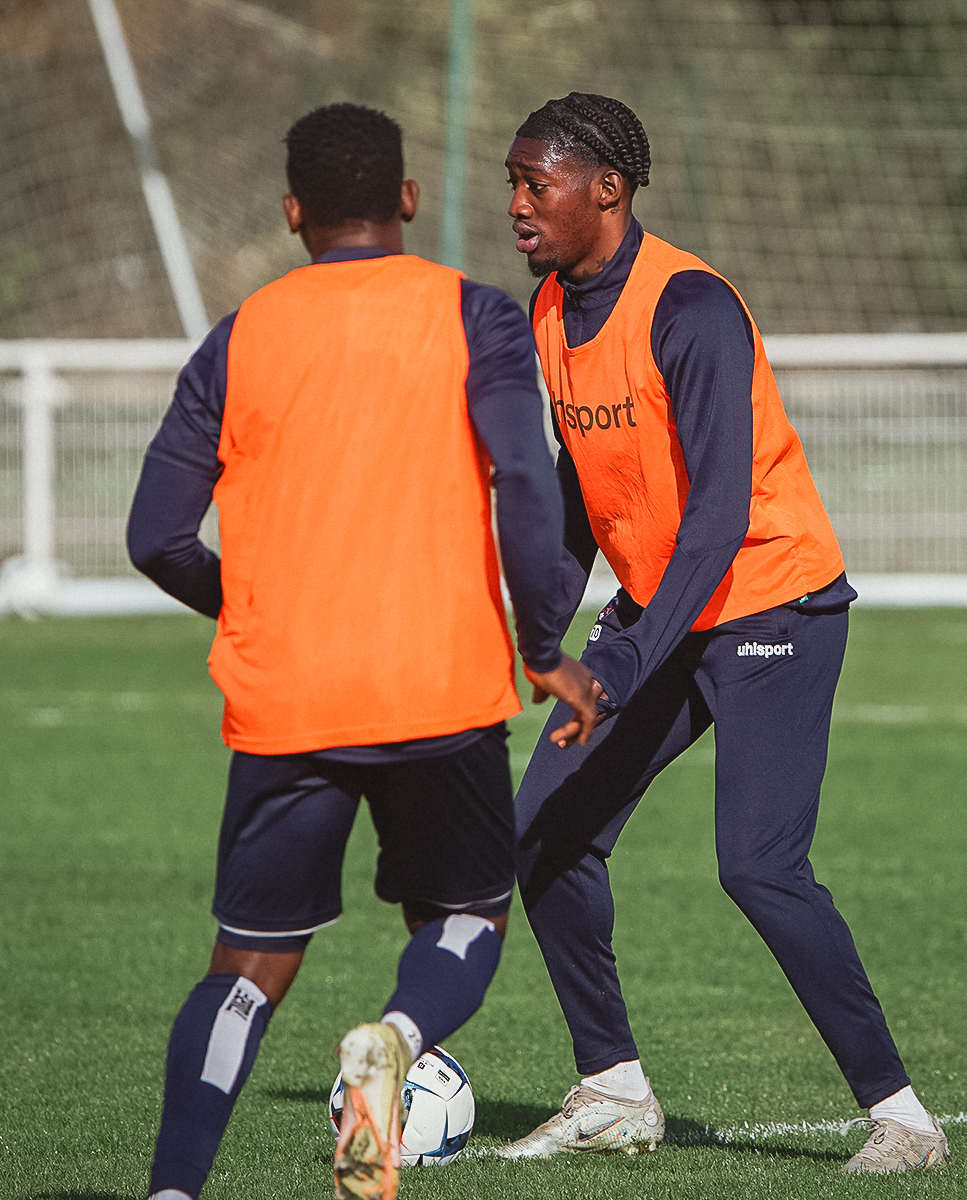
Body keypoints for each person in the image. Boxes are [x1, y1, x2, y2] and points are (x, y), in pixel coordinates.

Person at [125, 102, 599, 1200]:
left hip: (285, 699)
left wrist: (254, 604)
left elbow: (153, 536)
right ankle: (394, 1036)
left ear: (293, 214)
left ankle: (171, 1192)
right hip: (438, 688)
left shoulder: (238, 337)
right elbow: (527, 485)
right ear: (406, 201)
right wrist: (544, 648)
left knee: (246, 967)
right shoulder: (473, 316)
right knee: (467, 911)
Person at [493, 92, 950, 1175]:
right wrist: (537, 634)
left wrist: (619, 658)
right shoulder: (548, 306)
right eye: (510, 182)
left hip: (771, 603)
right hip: (669, 611)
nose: (516, 203)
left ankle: (903, 1119)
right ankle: (611, 1089)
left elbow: (715, 517)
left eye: (533, 182)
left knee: (758, 867)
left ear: (606, 188)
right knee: (543, 828)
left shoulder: (688, 307)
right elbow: (574, 496)